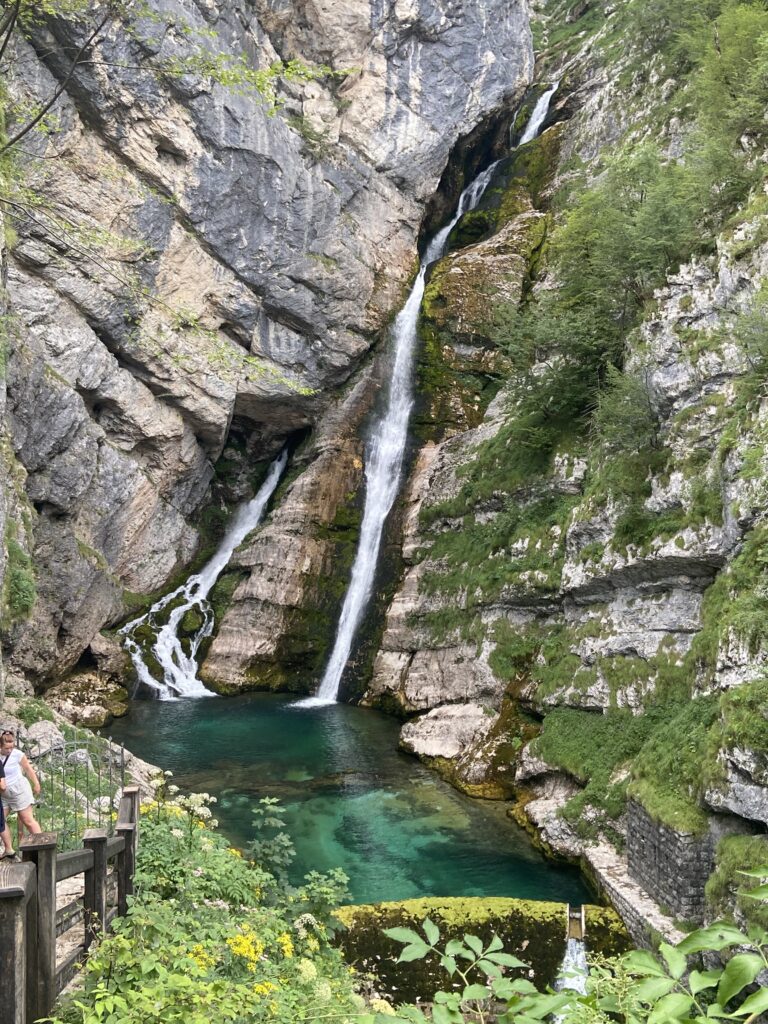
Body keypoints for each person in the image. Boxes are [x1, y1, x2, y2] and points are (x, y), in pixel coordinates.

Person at [0, 730, 41, 849]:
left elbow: (28, 768)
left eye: (11, 748)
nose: (9, 751)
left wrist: (36, 783)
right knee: (1, 821)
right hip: (3, 794)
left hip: (19, 790)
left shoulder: (17, 754)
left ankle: (44, 846)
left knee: (28, 820)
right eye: (6, 748)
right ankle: (9, 849)